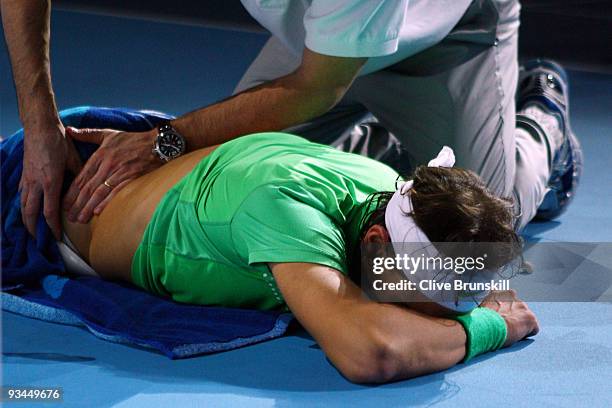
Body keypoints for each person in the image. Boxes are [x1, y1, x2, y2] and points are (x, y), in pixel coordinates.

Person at [19, 110, 534, 384]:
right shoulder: (287, 213)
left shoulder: (391, 190)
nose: (445, 316)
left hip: (220, 172)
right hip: (52, 211)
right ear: (376, 242)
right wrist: (489, 327)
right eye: (437, 305)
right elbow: (371, 354)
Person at [1, 0, 581, 243]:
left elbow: (316, 87)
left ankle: (541, 121)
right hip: (320, 46)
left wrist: (168, 138)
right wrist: (41, 125)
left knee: (482, 235)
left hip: (445, 35)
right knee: (217, 185)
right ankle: (375, 143)